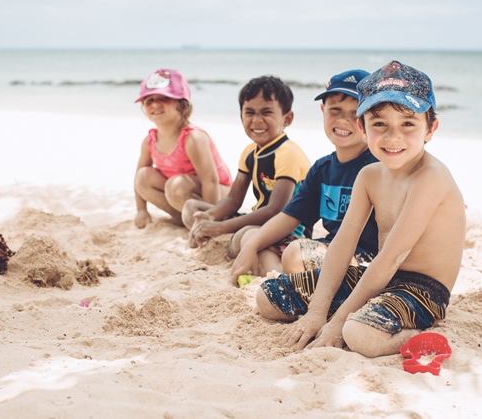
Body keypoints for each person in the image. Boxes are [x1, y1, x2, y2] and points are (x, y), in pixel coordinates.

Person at [256, 61, 466, 358]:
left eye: (408, 124)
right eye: (380, 124)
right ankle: (354, 314)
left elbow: (393, 256)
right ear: (362, 128)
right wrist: (317, 311)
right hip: (379, 278)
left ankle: (414, 334)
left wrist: (339, 320)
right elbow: (343, 242)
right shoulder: (369, 176)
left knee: (358, 334)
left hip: (423, 290)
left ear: (430, 129)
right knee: (269, 297)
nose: (393, 137)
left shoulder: (430, 177)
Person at [231, 69, 378, 285]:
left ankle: (287, 285)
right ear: (323, 110)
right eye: (335, 110)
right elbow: (289, 216)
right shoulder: (322, 168)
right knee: (257, 240)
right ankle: (279, 282)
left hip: (367, 260)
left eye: (355, 113)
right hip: (329, 249)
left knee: (295, 252)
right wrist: (252, 246)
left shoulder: (378, 168)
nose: (343, 120)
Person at [182, 75, 311, 252]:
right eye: (250, 112)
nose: (257, 120)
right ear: (241, 116)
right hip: (257, 220)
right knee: (192, 208)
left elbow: (275, 210)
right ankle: (217, 236)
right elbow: (233, 200)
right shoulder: (250, 152)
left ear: (287, 119)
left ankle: (229, 240)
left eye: (266, 112)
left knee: (242, 238)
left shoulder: (288, 153)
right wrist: (209, 216)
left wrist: (221, 227)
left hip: (287, 232)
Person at [134, 68, 233, 228]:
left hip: (220, 197)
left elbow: (211, 182)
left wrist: (210, 219)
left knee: (177, 185)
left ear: (181, 104)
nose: (155, 104)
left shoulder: (193, 138)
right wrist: (141, 210)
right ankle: (183, 219)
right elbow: (138, 180)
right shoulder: (149, 141)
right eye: (149, 100)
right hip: (181, 196)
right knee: (142, 176)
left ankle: (202, 220)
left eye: (164, 98)